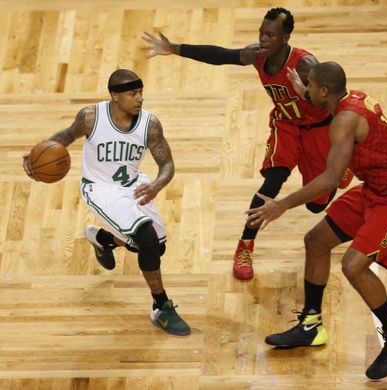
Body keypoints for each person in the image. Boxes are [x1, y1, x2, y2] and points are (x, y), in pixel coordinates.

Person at [246, 61, 387, 380]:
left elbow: (331, 178)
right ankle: (310, 324)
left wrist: (282, 205)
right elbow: (324, 104)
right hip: (376, 190)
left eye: (310, 84)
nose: (305, 87)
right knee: (315, 241)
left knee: (353, 265)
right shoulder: (352, 99)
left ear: (324, 92)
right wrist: (303, 92)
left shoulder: (344, 119)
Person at [141, 7, 353, 280]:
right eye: (262, 33)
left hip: (317, 129)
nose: (264, 39)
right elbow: (221, 55)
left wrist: (307, 95)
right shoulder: (256, 56)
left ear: (285, 38)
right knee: (271, 183)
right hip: (286, 125)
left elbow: (336, 101)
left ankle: (342, 167)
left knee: (315, 205)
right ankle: (245, 244)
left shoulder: (305, 65)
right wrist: (175, 48)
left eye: (271, 35)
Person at [22, 69, 190, 337]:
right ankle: (161, 307)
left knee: (156, 248)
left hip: (134, 185)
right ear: (115, 96)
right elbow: (66, 135)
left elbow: (167, 162)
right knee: (145, 241)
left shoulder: (150, 124)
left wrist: (158, 184)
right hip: (100, 188)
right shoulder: (91, 117)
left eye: (141, 93)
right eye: (133, 94)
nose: (140, 99)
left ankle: (102, 238)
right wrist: (34, 157)